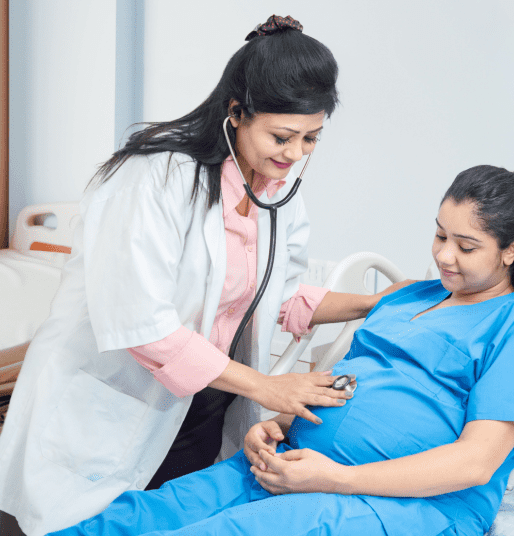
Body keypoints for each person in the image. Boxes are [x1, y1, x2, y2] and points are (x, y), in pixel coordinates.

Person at [0, 15, 398, 536]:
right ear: (237, 112)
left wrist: (376, 303)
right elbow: (142, 324)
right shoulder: (153, 179)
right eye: (283, 136)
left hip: (199, 410)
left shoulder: (277, 197)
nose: (295, 155)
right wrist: (267, 388)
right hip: (108, 410)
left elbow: (270, 298)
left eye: (311, 139)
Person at [52, 165, 514, 536]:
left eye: (466, 246)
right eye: (439, 235)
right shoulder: (410, 295)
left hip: (412, 505)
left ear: (512, 249)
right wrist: (276, 424)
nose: (444, 256)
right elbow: (349, 380)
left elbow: (476, 463)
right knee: (141, 516)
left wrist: (336, 479)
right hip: (296, 464)